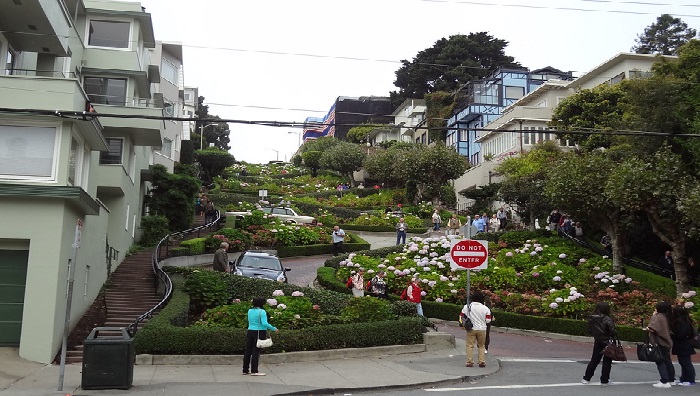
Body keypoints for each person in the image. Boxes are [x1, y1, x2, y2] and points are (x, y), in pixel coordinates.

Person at [581, 302, 616, 385]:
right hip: (607, 341)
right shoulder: (607, 319)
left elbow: (589, 330)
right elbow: (612, 331)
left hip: (598, 340)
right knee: (607, 362)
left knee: (594, 360)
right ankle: (604, 380)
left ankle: (586, 378)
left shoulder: (592, 318)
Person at [243, 297, 278, 376]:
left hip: (250, 331)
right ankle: (254, 370)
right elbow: (264, 323)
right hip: (259, 331)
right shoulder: (262, 312)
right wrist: (273, 328)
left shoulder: (250, 310)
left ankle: (245, 369)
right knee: (256, 351)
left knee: (248, 350)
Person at [647, 301, 676, 388]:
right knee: (667, 360)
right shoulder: (669, 317)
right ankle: (671, 379)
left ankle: (664, 381)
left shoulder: (657, 317)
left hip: (659, 341)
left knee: (660, 361)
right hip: (667, 341)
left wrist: (653, 316)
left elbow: (652, 328)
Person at [462, 291, 492, 368]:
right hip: (482, 329)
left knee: (470, 346)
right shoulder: (485, 308)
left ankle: (470, 362)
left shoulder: (467, 307)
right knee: (482, 345)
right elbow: (488, 320)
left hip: (471, 329)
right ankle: (481, 361)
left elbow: (461, 316)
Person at [671, 305, 696, 386]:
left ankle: (690, 379)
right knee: (684, 362)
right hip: (685, 344)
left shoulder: (681, 322)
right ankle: (684, 378)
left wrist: (672, 336)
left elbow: (680, 335)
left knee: (686, 363)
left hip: (683, 344)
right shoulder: (687, 321)